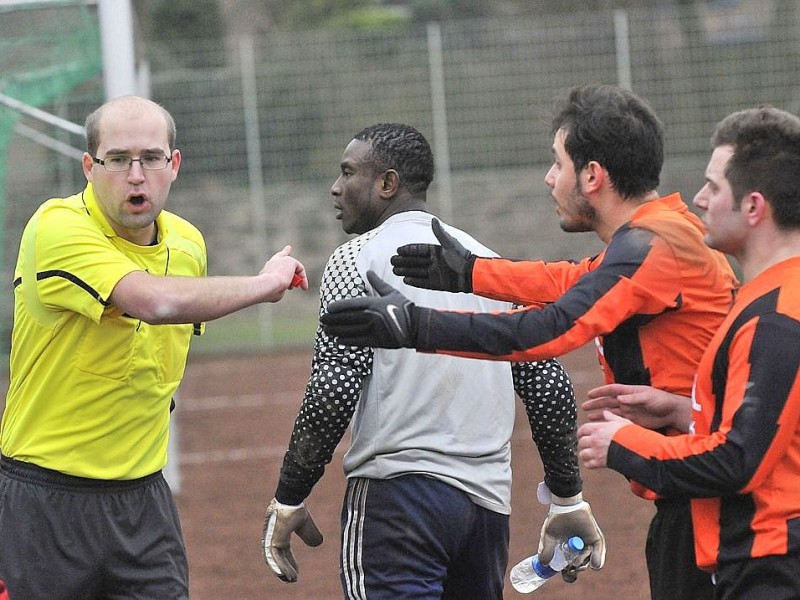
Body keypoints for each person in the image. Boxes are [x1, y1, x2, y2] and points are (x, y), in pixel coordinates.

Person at [320, 85, 739, 600]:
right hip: (700, 491)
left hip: (713, 503)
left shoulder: (653, 246)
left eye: (556, 163)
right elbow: (571, 281)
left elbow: (551, 328)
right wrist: (471, 274)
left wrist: (415, 326)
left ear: (592, 175)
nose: (549, 178)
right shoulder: (656, 237)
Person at [261, 123, 605, 599]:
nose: (336, 187)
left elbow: (334, 387)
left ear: (387, 183)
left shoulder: (354, 258)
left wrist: (289, 495)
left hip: (397, 502)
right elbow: (548, 385)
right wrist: (567, 497)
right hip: (486, 509)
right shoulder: (487, 261)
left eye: (348, 172)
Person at [0, 95, 307, 600]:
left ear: (174, 165)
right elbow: (155, 302)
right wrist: (263, 283)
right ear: (89, 167)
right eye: (118, 159)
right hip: (45, 502)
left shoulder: (188, 244)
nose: (136, 174)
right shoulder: (56, 228)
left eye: (151, 158)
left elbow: (163, 358)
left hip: (143, 504)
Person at [578, 106, 800, 600]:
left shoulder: (777, 316)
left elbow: (739, 460)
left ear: (753, 207)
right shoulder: (766, 299)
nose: (698, 199)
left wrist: (625, 444)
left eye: (713, 187)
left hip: (773, 566)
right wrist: (680, 409)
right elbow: (772, 431)